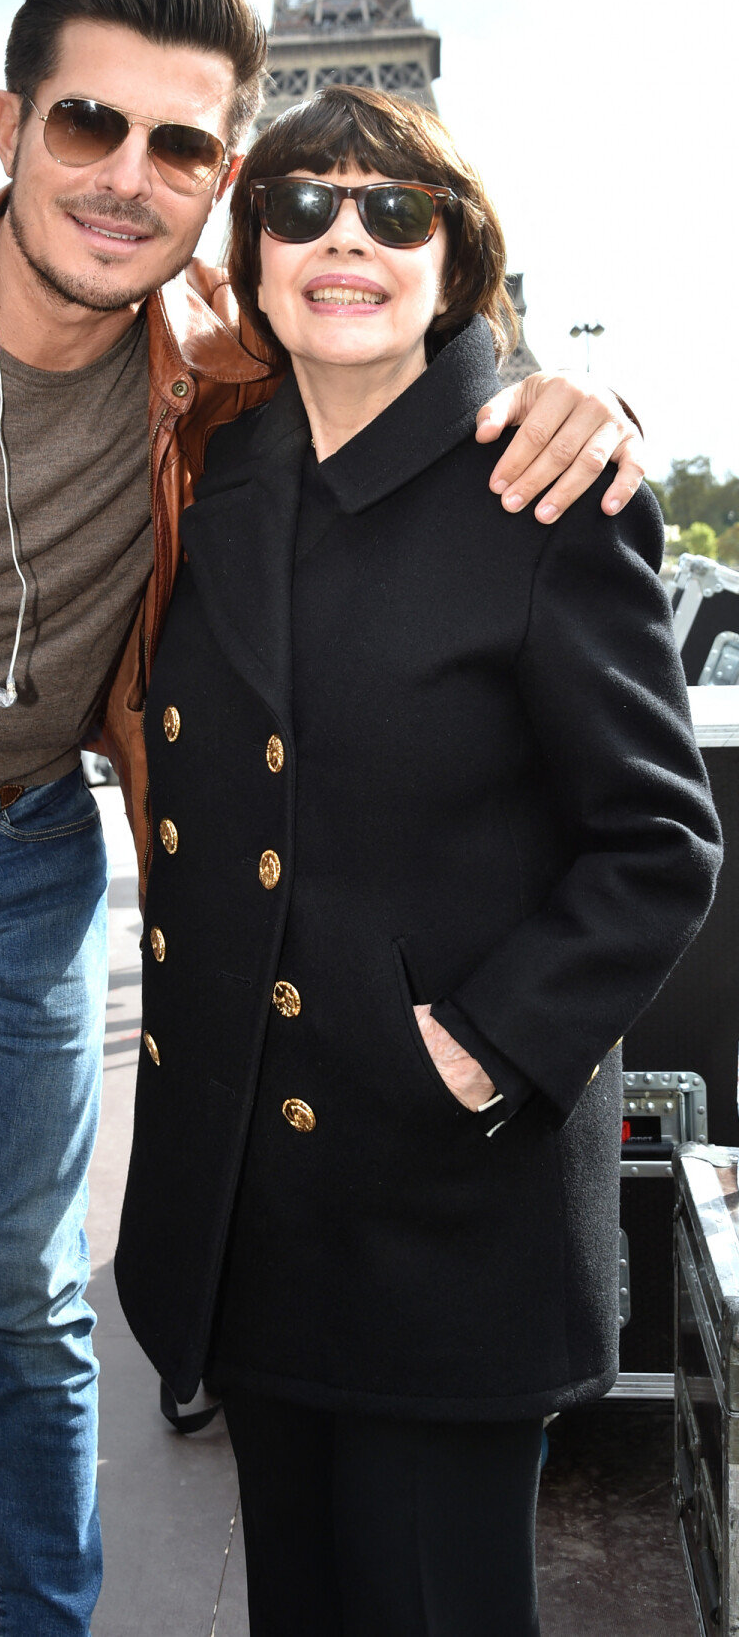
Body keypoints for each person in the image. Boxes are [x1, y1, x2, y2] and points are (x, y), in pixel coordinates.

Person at [0, 0, 647, 1637]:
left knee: (31, 1310)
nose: (130, 179)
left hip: (27, 860)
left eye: (183, 148)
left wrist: (574, 397)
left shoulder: (213, 358)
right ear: (11, 124)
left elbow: (409, 367)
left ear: (215, 180)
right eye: (91, 124)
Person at [113, 83, 723, 1637]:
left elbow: (657, 840)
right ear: (250, 252)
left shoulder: (541, 493)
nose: (346, 237)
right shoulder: (212, 477)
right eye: (303, 203)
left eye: (397, 212)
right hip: (257, 1199)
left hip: (446, 1198)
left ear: (458, 264)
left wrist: (485, 1049)